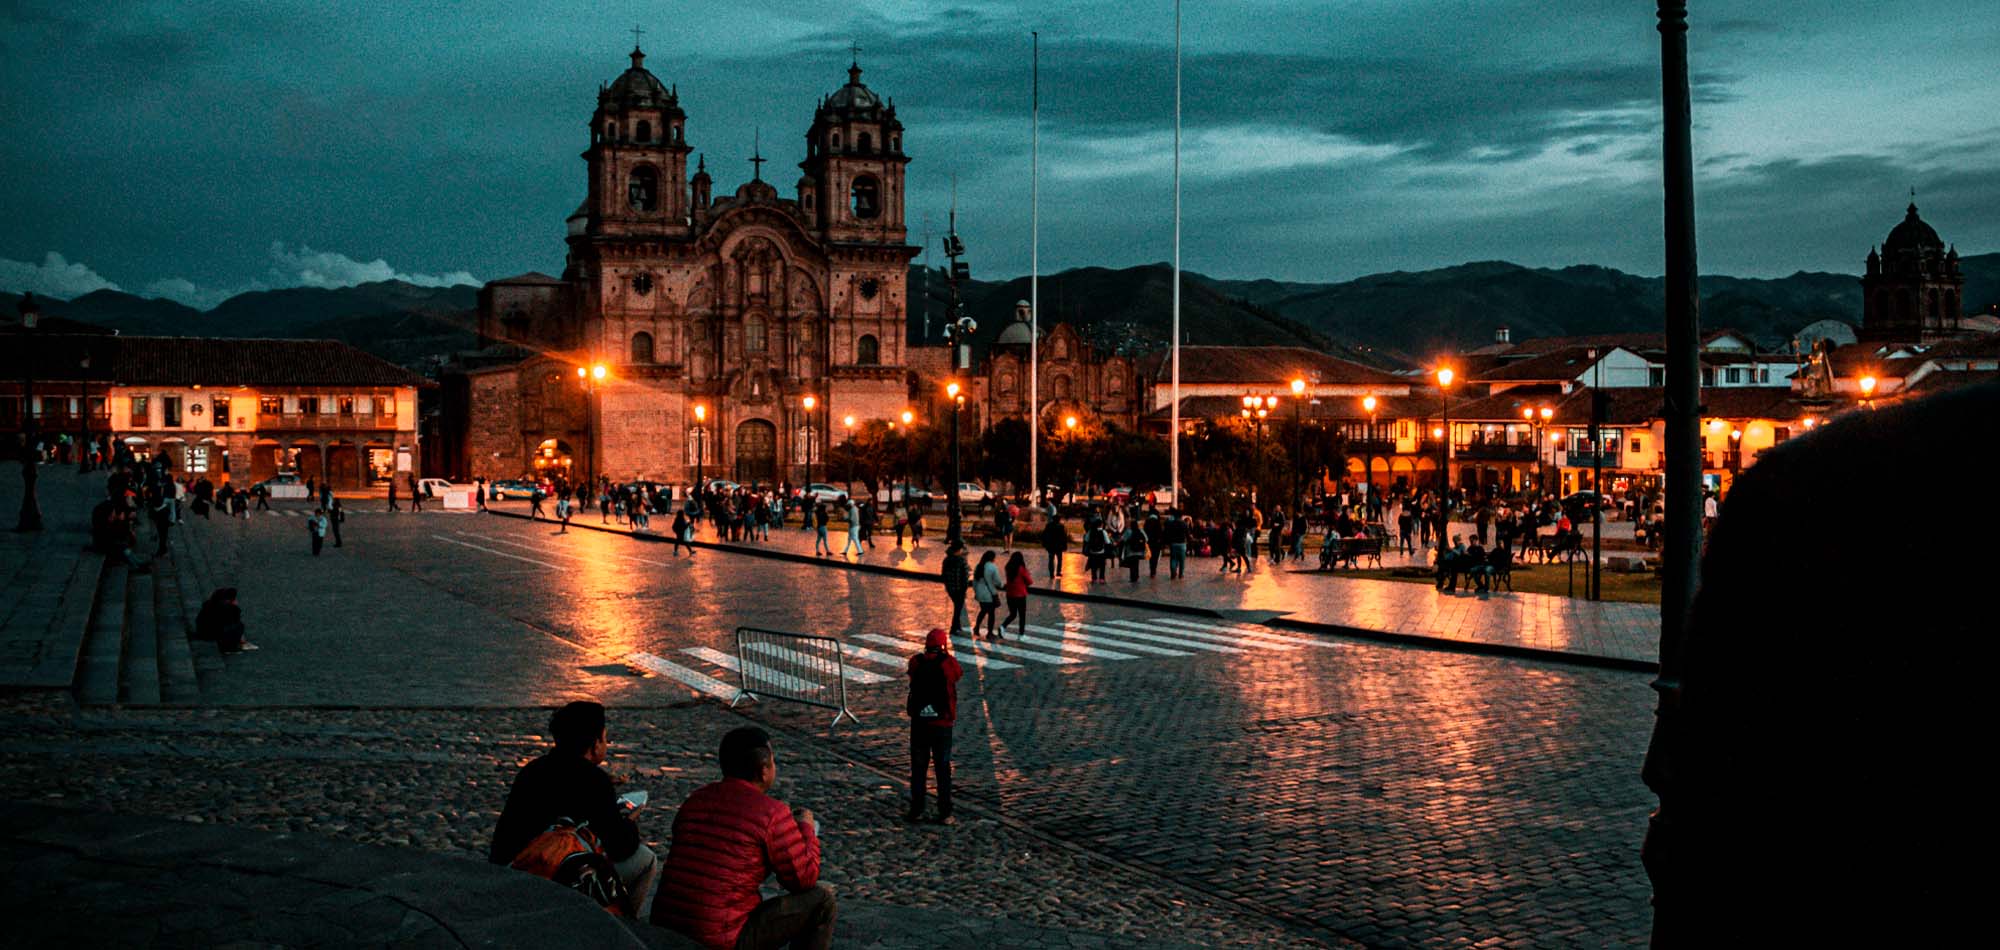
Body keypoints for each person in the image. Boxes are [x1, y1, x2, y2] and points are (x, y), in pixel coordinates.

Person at [652, 727, 833, 949]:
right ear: (764, 770)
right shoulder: (771, 813)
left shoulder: (695, 800)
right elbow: (804, 878)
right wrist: (805, 827)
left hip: (664, 927)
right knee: (822, 900)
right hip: (720, 937)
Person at [491, 701, 657, 919]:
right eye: (605, 738)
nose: (606, 744)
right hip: (555, 876)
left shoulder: (533, 770)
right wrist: (630, 822)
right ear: (594, 744)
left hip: (514, 870)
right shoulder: (594, 780)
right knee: (647, 860)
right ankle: (621, 928)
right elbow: (620, 846)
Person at [905, 629, 963, 825]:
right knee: (942, 767)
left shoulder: (916, 661)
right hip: (942, 722)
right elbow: (957, 675)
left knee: (919, 767)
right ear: (943, 645)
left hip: (920, 722)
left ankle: (917, 809)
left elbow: (911, 673)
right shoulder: (948, 663)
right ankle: (945, 812)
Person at [195, 588, 256, 653]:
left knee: (234, 626)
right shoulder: (228, 609)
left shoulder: (208, 605)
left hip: (203, 632)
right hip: (214, 634)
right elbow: (234, 622)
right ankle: (233, 646)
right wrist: (235, 607)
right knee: (239, 626)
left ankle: (239, 642)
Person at [970, 550, 1002, 640]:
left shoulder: (978, 566)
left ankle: (976, 628)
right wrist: (1001, 585)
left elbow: (974, 581)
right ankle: (990, 633)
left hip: (980, 593)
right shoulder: (992, 567)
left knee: (983, 611)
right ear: (992, 558)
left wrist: (976, 591)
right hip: (989, 594)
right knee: (991, 613)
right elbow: (998, 581)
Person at [940, 541, 970, 635]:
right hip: (960, 588)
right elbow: (965, 576)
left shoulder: (946, 560)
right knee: (958, 608)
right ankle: (954, 627)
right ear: (959, 550)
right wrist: (965, 588)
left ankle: (957, 626)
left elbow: (943, 575)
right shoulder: (961, 560)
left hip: (950, 588)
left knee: (957, 606)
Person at [999, 552, 1031, 639]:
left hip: (1010, 594)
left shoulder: (1008, 568)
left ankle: (1003, 626)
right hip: (1020, 595)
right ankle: (1021, 635)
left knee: (1013, 614)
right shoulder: (1021, 569)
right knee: (1022, 615)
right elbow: (1029, 581)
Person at [1163, 508, 1189, 579]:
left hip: (1173, 543)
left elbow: (1167, 533)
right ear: (1181, 516)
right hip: (1182, 544)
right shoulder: (1184, 524)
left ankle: (1173, 573)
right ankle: (1181, 574)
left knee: (1173, 559)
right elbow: (1187, 534)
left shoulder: (1171, 524)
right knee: (1182, 560)